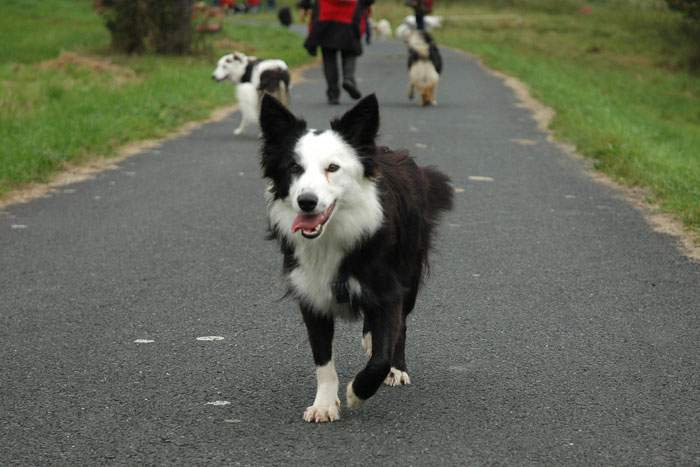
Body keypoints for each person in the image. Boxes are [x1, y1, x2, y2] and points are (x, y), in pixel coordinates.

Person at [299, 0, 373, 105]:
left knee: (328, 56)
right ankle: (349, 78)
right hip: (349, 11)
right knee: (350, 52)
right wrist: (368, 4)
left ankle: (333, 93)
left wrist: (304, 6)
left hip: (325, 12)